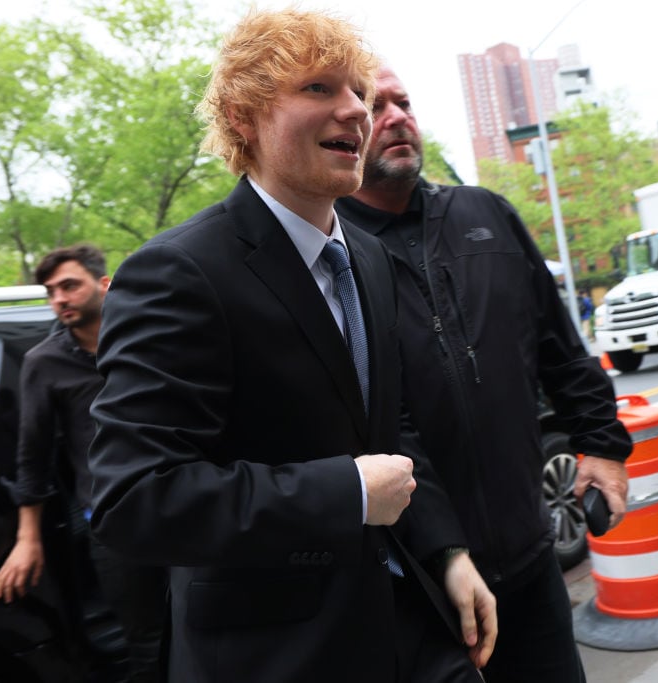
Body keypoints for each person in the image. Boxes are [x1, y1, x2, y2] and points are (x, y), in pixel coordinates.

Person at [87, 11, 492, 683]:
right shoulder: (177, 272)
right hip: (274, 657)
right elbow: (134, 498)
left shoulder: (367, 255)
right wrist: (346, 491)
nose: (355, 110)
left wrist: (446, 550)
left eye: (358, 90)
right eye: (318, 89)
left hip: (412, 626)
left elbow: (389, 428)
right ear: (244, 115)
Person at [335, 65, 633, 683]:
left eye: (405, 102)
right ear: (347, 124)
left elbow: (560, 346)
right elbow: (370, 423)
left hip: (531, 561)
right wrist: (442, 548)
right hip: (424, 584)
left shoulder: (486, 213)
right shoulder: (333, 253)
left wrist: (601, 443)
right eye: (375, 104)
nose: (396, 117)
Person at [0, 244, 166, 683]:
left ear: (104, 285)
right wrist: (27, 538)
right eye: (51, 292)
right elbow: (33, 454)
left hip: (184, 500)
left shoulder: (150, 338)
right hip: (115, 523)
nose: (59, 299)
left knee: (211, 622)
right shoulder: (43, 363)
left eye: (69, 286)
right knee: (148, 645)